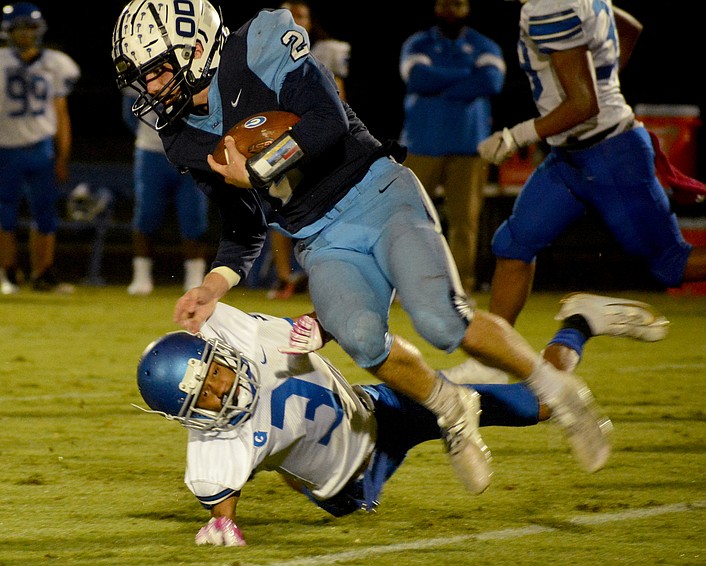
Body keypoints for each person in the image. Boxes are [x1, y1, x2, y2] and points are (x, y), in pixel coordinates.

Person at [112, 0, 617, 497]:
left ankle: (560, 392)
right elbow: (243, 226)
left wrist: (261, 169)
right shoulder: (181, 137)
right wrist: (212, 285)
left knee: (441, 321)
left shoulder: (259, 45)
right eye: (143, 76)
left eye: (155, 71)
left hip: (377, 192)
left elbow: (326, 121)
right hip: (318, 237)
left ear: (196, 49)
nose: (150, 87)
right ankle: (449, 407)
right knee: (360, 338)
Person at [135, 301, 551, 546]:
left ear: (218, 351)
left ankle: (576, 331)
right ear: (187, 418)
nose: (219, 393)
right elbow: (221, 500)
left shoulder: (247, 334)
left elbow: (331, 315)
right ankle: (289, 463)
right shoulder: (216, 447)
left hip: (376, 407)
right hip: (352, 484)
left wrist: (321, 325)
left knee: (544, 405)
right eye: (202, 399)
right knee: (288, 456)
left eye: (214, 376)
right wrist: (222, 523)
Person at [451, 0, 697, 381]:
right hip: (570, 157)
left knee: (671, 265)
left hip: (611, 156)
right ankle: (492, 361)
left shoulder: (549, 7)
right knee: (514, 246)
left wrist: (515, 136)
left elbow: (582, 104)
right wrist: (605, 82)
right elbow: (629, 26)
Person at [0, 2, 80, 294]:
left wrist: (62, 155)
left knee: (45, 214)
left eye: (29, 27)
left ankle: (43, 272)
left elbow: (62, 114)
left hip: (41, 149)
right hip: (6, 149)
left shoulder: (56, 64)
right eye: (19, 28)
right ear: (8, 31)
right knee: (5, 213)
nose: (24, 34)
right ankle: (8, 272)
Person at [399, 0, 505, 293]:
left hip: (469, 146)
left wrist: (440, 84)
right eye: (445, 4)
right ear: (435, 8)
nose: (450, 10)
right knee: (407, 219)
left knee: (465, 223)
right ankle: (407, 284)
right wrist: (468, 74)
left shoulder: (483, 44)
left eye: (457, 4)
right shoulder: (418, 43)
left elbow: (492, 83)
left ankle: (460, 289)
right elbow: (417, 79)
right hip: (422, 144)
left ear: (468, 9)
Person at [265, 0, 351, 300]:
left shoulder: (327, 52)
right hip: (284, 139)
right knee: (279, 206)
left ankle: (329, 274)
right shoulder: (267, 55)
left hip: (318, 138)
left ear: (311, 21)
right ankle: (284, 276)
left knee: (329, 206)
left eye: (300, 15)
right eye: (287, 15)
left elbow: (339, 97)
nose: (293, 20)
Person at [121, 92, 208, 295]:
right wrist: (152, 137)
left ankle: (195, 278)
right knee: (147, 214)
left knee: (193, 215)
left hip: (190, 153)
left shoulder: (199, 69)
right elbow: (129, 114)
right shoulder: (142, 70)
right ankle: (141, 276)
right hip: (151, 152)